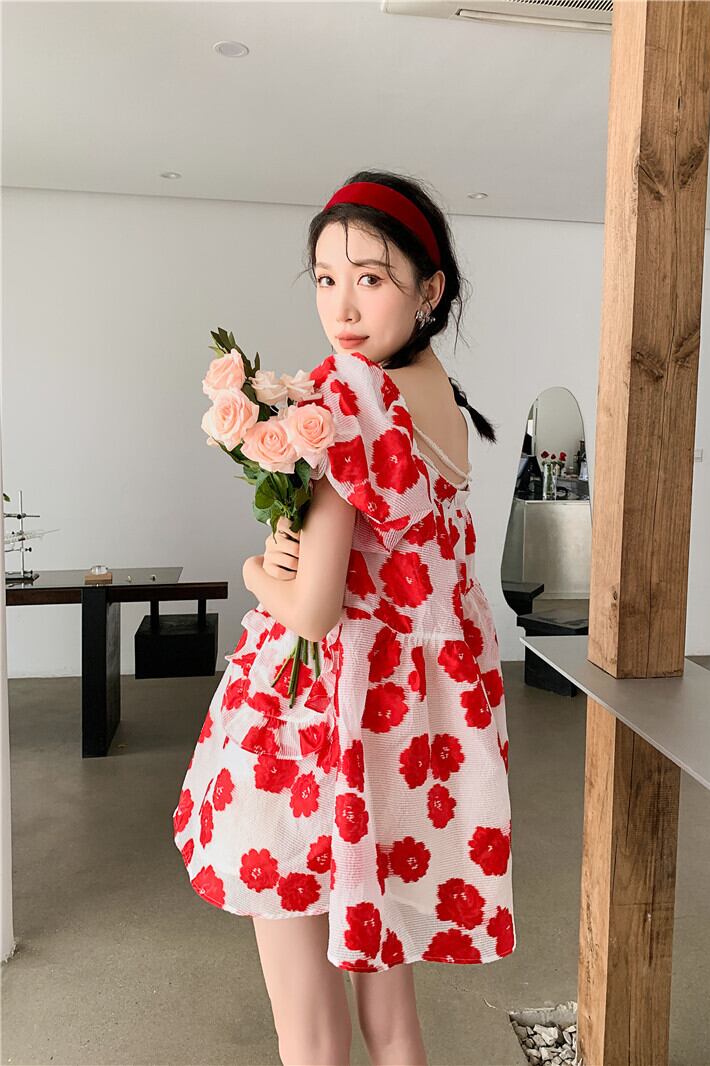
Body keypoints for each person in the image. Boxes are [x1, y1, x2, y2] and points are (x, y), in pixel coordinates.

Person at [172, 170, 515, 1066]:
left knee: (309, 1032)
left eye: (371, 277)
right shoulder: (439, 397)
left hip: (313, 735)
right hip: (403, 741)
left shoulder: (345, 402)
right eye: (327, 278)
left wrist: (256, 568)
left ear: (430, 289)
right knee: (391, 1016)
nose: (343, 306)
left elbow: (315, 609)